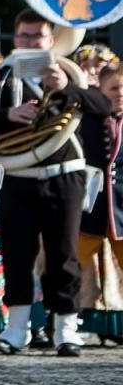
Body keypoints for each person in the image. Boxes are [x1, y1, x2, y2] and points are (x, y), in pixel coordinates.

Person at [0, 10, 112, 357]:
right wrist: (8, 116)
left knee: (64, 253)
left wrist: (67, 89)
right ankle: (17, 329)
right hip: (17, 174)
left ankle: (66, 329)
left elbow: (103, 105)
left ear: (50, 39)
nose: (31, 43)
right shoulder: (1, 74)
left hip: (64, 174)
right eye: (25, 37)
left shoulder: (67, 70)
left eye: (38, 37)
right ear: (15, 39)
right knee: (16, 252)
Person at [78, 62, 123, 345]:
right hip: (91, 206)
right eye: (114, 88)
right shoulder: (87, 120)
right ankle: (62, 325)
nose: (120, 93)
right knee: (72, 267)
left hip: (121, 210)